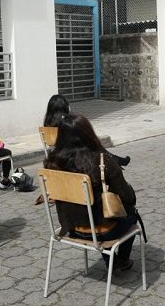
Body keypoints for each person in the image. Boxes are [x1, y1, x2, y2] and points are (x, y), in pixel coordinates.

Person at [44, 113, 138, 271]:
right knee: (132, 215)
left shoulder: (51, 162)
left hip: (70, 228)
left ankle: (113, 262)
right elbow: (128, 197)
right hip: (102, 232)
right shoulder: (103, 161)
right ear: (88, 133)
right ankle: (119, 262)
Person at [43, 94, 130, 167]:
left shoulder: (47, 121)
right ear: (64, 106)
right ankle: (116, 160)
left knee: (97, 145)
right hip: (74, 147)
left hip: (62, 147)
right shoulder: (66, 122)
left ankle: (115, 159)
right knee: (96, 144)